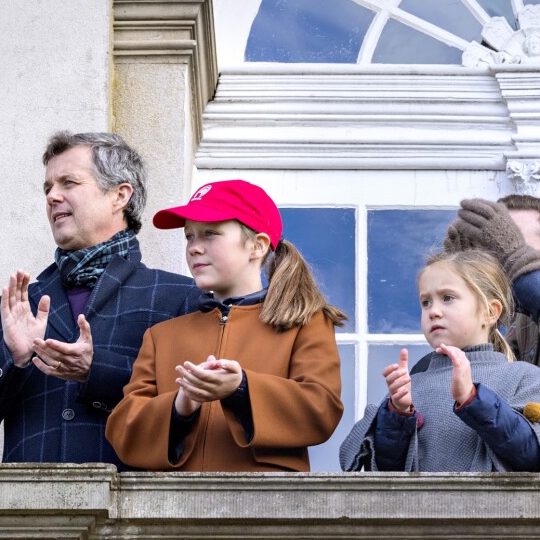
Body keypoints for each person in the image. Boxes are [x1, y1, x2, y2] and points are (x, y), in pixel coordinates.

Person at [0, 131, 199, 469]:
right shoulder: (20, 304)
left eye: (68, 183)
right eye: (47, 188)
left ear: (119, 196)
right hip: (29, 515)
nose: (52, 196)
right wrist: (10, 359)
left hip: (132, 517)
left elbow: (196, 412)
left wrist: (96, 371)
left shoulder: (179, 297)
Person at [105, 179, 345, 471]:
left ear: (257, 246)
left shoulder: (306, 323)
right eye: (189, 236)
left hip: (268, 507)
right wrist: (180, 405)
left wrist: (241, 389)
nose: (194, 247)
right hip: (174, 511)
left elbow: (321, 410)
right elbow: (123, 431)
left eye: (210, 234)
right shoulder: (160, 336)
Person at [340, 250, 540, 472]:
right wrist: (397, 415)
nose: (434, 311)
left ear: (489, 312)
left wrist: (473, 399)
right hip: (414, 508)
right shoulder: (411, 386)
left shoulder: (525, 377)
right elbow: (387, 473)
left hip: (494, 508)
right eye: (426, 302)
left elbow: (531, 456)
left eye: (448, 298)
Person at [412, 194, 540, 373]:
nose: (506, 270)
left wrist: (517, 261)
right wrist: (461, 274)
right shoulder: (513, 322)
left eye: (521, 248)